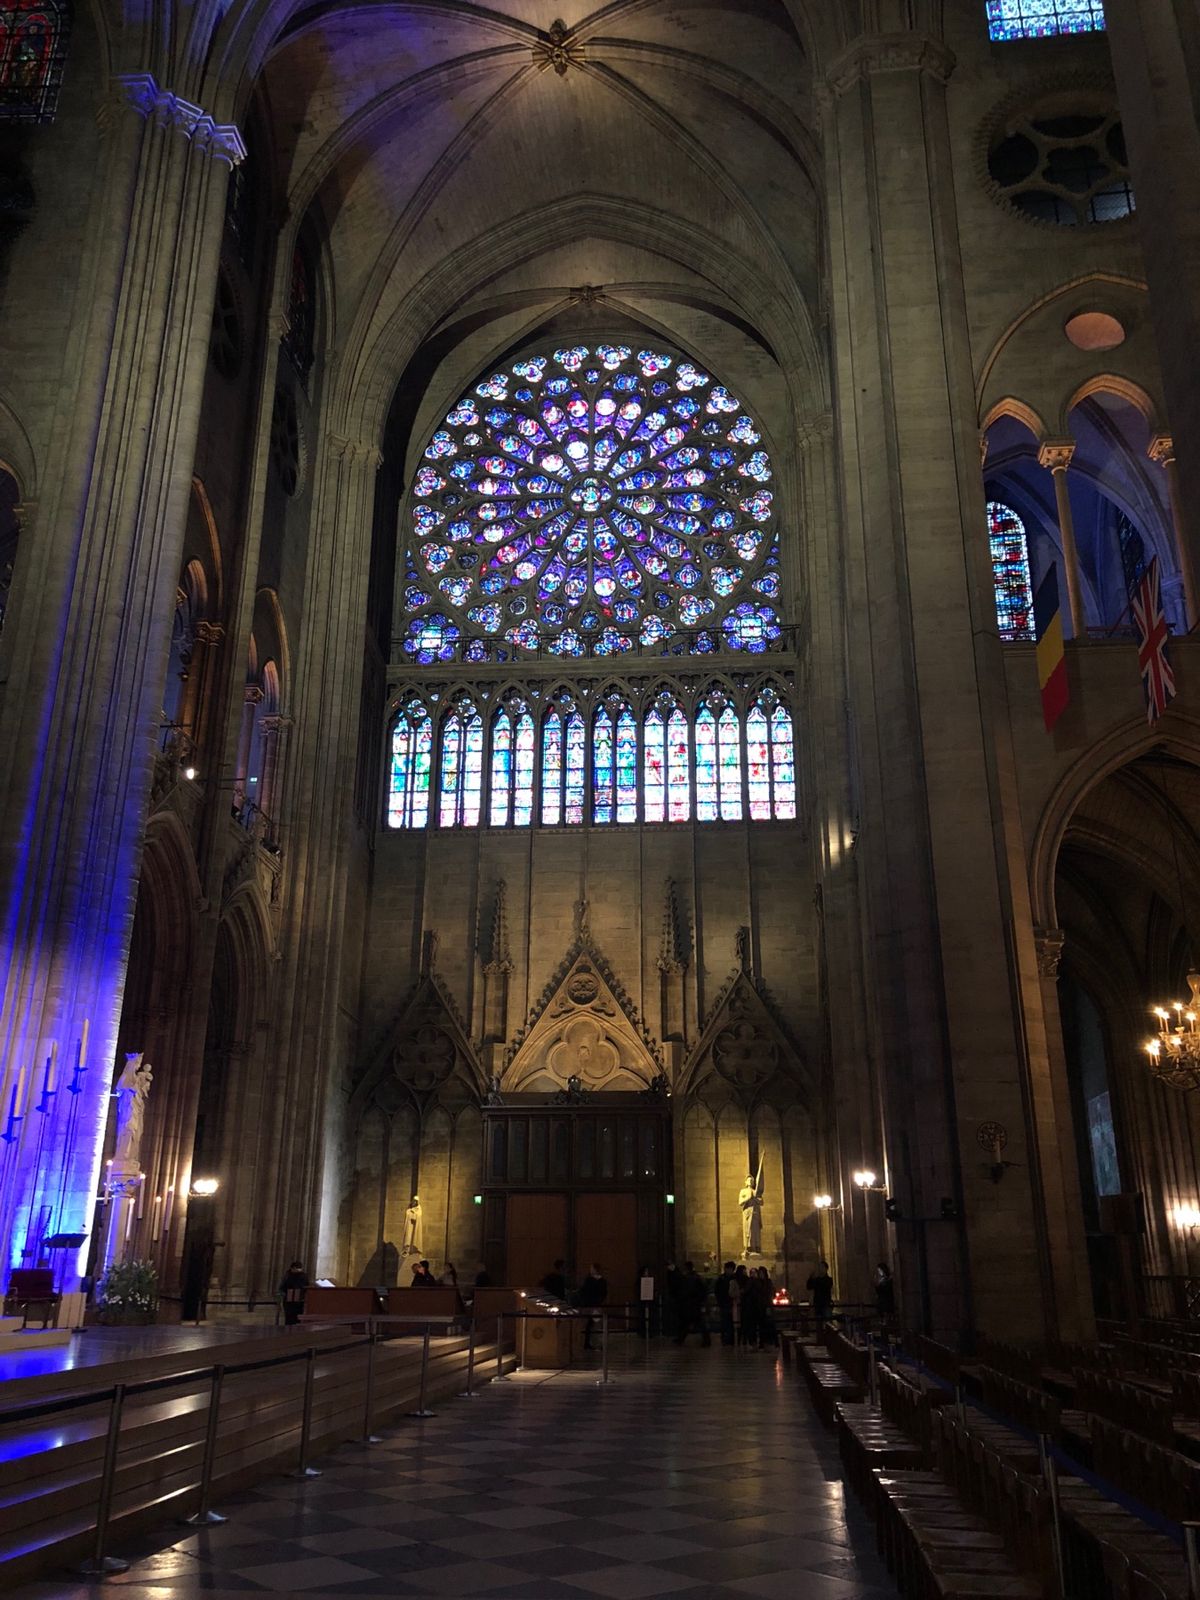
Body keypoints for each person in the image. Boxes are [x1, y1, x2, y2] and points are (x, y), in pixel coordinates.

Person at [672, 1261, 711, 1347]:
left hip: (692, 1304)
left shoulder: (689, 1278)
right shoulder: (696, 1277)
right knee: (692, 1323)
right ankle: (705, 1340)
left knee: (689, 1322)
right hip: (694, 1304)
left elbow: (686, 1291)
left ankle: (681, 1339)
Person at [576, 1262, 608, 1350]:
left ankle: (594, 1344)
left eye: (591, 1268)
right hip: (592, 1305)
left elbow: (583, 1292)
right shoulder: (598, 1281)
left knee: (594, 1326)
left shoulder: (591, 1281)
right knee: (588, 1325)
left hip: (591, 1305)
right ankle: (587, 1343)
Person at [713, 1260, 737, 1346]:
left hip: (731, 1303)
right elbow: (717, 1290)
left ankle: (731, 1340)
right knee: (724, 1322)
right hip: (723, 1302)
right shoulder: (721, 1278)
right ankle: (725, 1339)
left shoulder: (734, 1278)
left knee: (730, 1322)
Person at [279, 1259, 308, 1327]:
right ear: (293, 1268)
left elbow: (305, 1287)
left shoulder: (303, 1276)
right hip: (288, 1299)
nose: (298, 1270)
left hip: (299, 1300)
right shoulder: (288, 1275)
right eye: (296, 1268)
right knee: (289, 1317)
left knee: (296, 1317)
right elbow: (283, 1286)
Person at [807, 1259, 834, 1324]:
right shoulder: (817, 1279)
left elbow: (825, 1286)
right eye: (819, 1267)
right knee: (819, 1324)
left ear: (826, 1269)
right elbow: (809, 1287)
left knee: (828, 1323)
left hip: (826, 1304)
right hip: (817, 1304)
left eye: (822, 1267)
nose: (820, 1269)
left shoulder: (829, 1280)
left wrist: (815, 1280)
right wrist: (810, 1278)